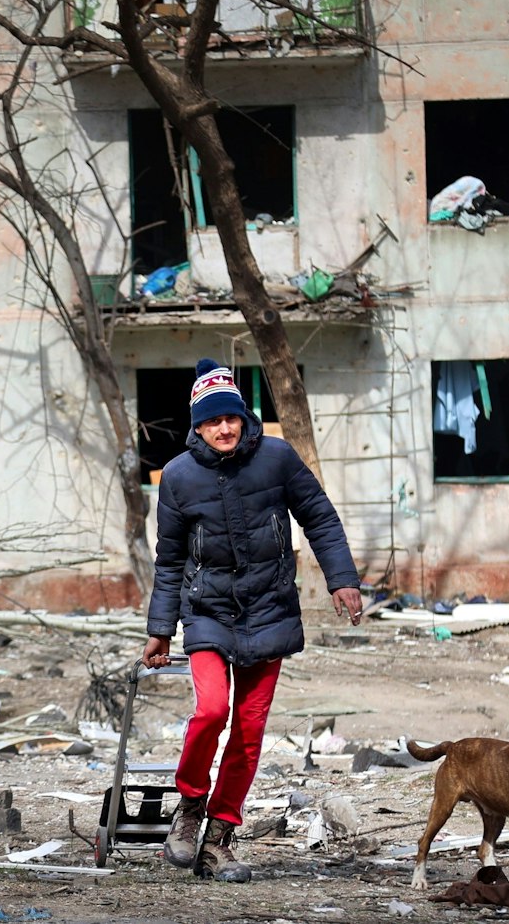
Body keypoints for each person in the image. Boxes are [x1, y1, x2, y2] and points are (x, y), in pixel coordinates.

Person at [142, 358, 364, 881]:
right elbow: (169, 560)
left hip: (269, 609)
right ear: (197, 425)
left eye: (231, 418)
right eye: (211, 421)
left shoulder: (278, 459)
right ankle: (191, 804)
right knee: (212, 710)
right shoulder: (176, 477)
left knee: (248, 731)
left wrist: (342, 579)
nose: (223, 429)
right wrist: (160, 630)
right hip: (208, 612)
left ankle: (219, 837)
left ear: (244, 417)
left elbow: (320, 517)